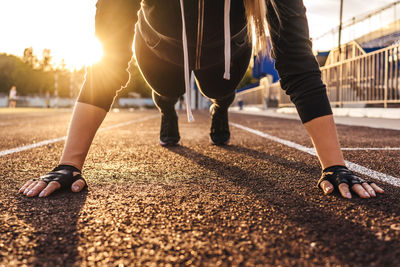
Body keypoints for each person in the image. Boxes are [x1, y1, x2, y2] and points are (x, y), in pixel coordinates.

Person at [19, 0, 384, 199]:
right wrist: (69, 164)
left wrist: (334, 166)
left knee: (220, 91)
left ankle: (220, 109)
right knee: (165, 91)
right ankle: (167, 112)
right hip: (157, 50)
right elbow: (107, 65)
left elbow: (298, 64)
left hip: (225, 55)